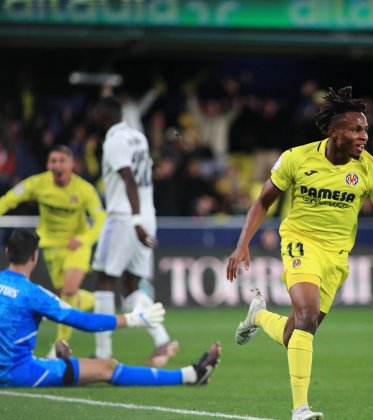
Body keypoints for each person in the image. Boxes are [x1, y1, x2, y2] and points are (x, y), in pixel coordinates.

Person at [226, 86, 373, 420]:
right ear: (332, 131)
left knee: (296, 331)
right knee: (307, 317)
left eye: (365, 129)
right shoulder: (296, 158)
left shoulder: (370, 170)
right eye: (356, 129)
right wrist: (243, 243)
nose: (364, 136)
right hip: (300, 242)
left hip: (336, 257)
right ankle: (300, 409)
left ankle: (258, 316)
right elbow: (263, 202)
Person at [0, 229, 221, 388]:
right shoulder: (34, 294)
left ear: (7, 251)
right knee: (108, 367)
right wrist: (134, 319)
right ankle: (191, 375)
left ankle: (64, 364)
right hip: (19, 373)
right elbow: (83, 322)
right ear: (34, 256)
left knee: (63, 364)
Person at [91, 96, 179, 367]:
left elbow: (128, 179)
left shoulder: (114, 141)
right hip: (145, 215)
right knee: (131, 286)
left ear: (105, 114)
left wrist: (136, 220)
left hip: (124, 216)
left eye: (97, 112)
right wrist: (143, 219)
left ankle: (103, 353)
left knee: (104, 280)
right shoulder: (138, 137)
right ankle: (162, 340)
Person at [0, 145, 106, 358]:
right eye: (53, 161)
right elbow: (9, 199)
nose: (57, 165)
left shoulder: (84, 189)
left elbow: (101, 218)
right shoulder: (37, 183)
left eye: (61, 161)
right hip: (49, 246)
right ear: (48, 165)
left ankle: (59, 345)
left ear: (71, 164)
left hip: (76, 245)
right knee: (66, 296)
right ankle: (98, 300)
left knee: (68, 289)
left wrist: (84, 239)